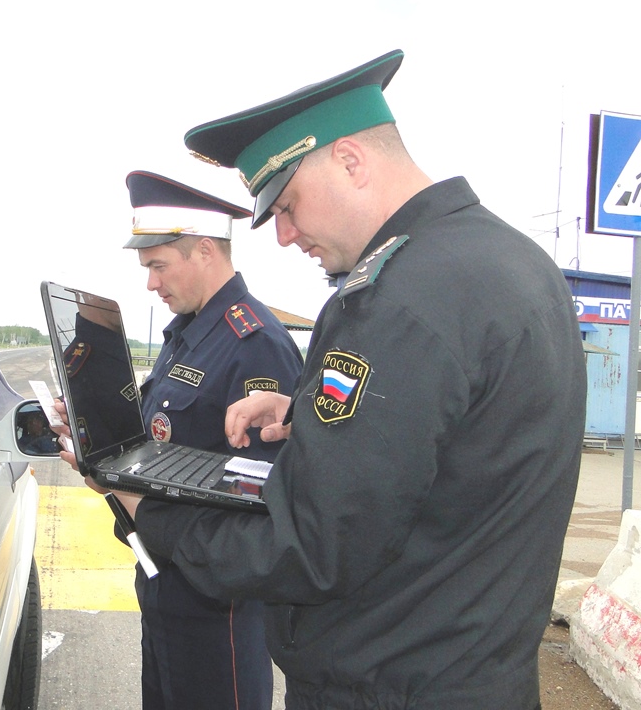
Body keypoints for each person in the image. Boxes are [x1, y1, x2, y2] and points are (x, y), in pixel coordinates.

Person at [108, 51, 588, 710]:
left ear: (352, 161)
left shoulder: (398, 299)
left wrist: (148, 510)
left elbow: (308, 549)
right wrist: (304, 408)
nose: (282, 235)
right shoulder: (509, 261)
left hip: (390, 687)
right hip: (476, 670)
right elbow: (458, 450)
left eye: (287, 203)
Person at [59, 171, 305, 710]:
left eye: (158, 266)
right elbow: (159, 444)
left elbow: (264, 501)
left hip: (217, 605)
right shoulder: (186, 336)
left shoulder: (254, 344)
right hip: (163, 579)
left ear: (203, 250)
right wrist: (98, 449)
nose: (150, 284)